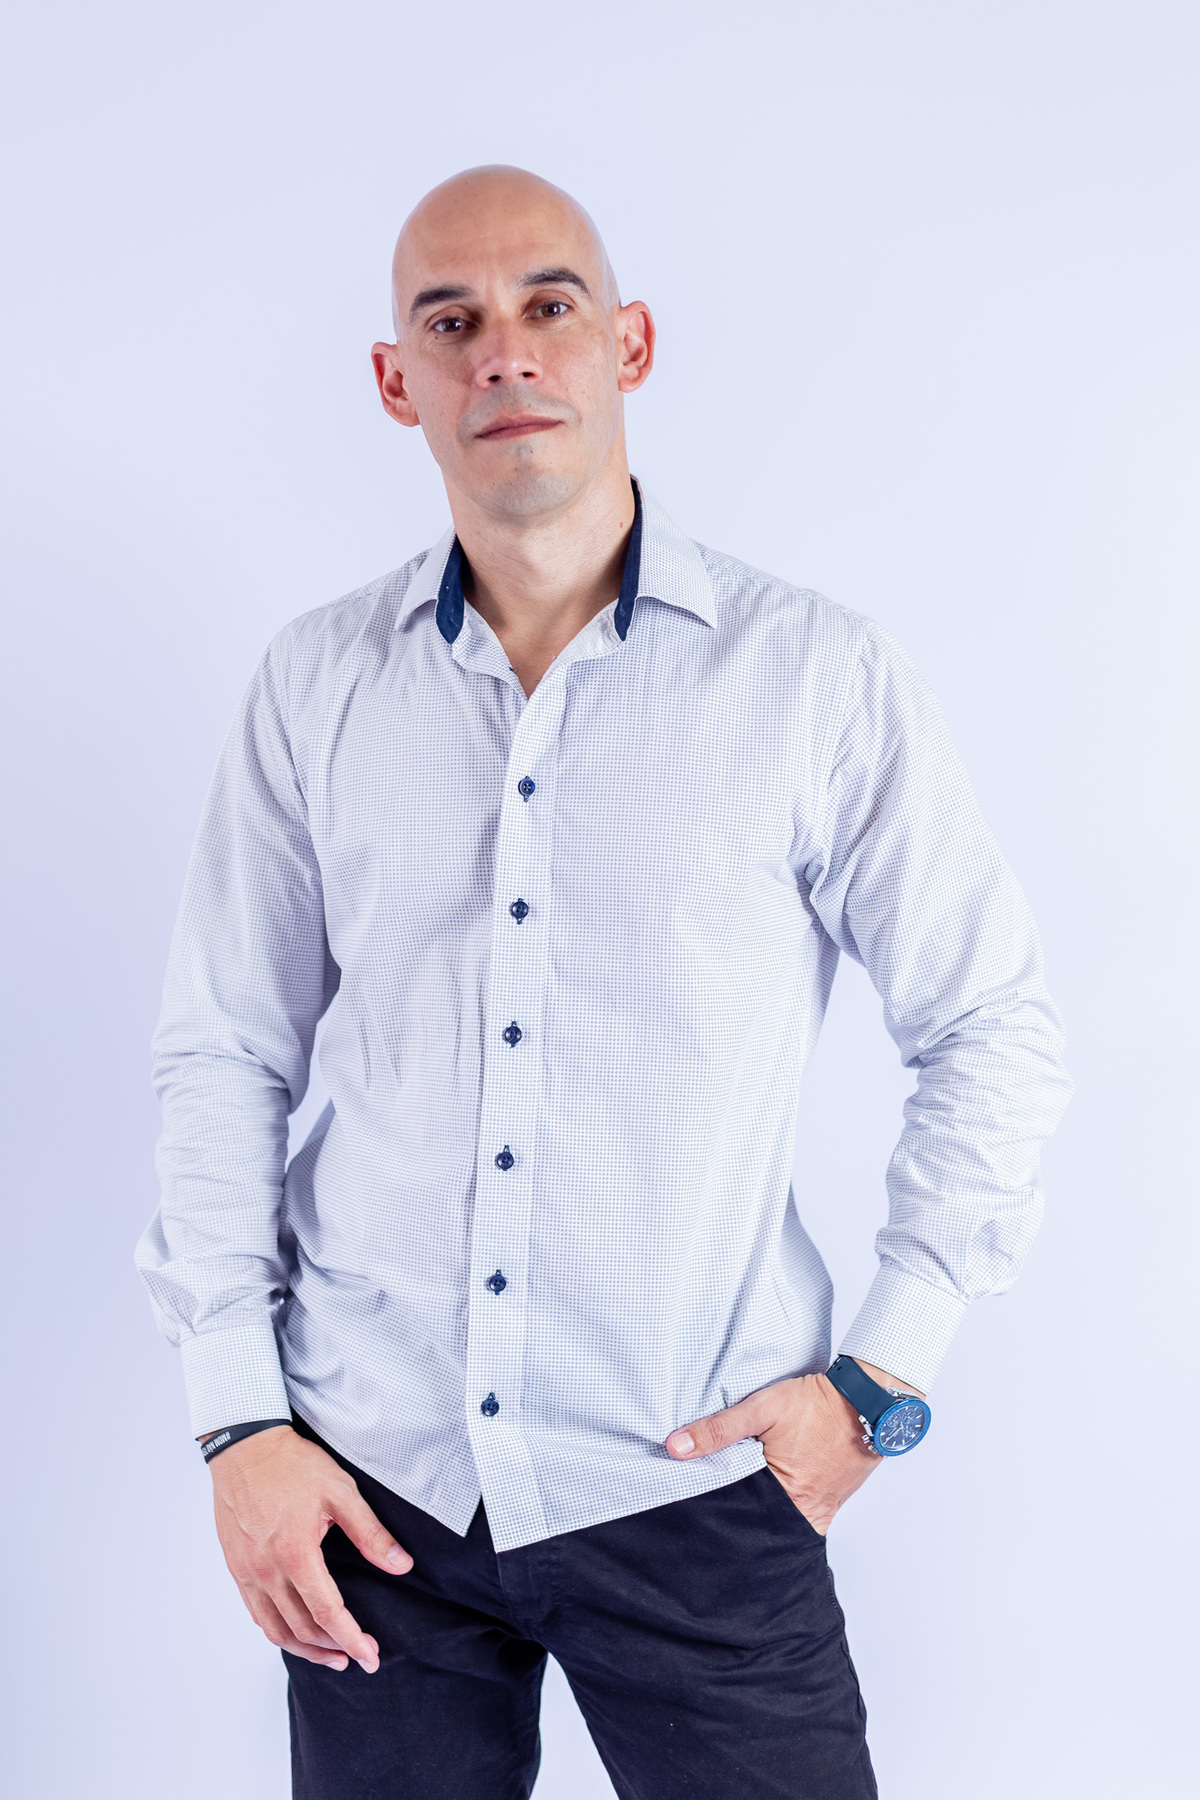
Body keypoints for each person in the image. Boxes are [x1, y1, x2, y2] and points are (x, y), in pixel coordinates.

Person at [135, 164, 1072, 1799]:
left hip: (695, 1479)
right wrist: (238, 1423)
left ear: (627, 343)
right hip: (373, 1494)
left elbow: (991, 1026)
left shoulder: (812, 677)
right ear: (397, 380)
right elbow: (226, 1053)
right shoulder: (316, 684)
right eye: (452, 322)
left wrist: (880, 1380)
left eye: (548, 305)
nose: (504, 350)